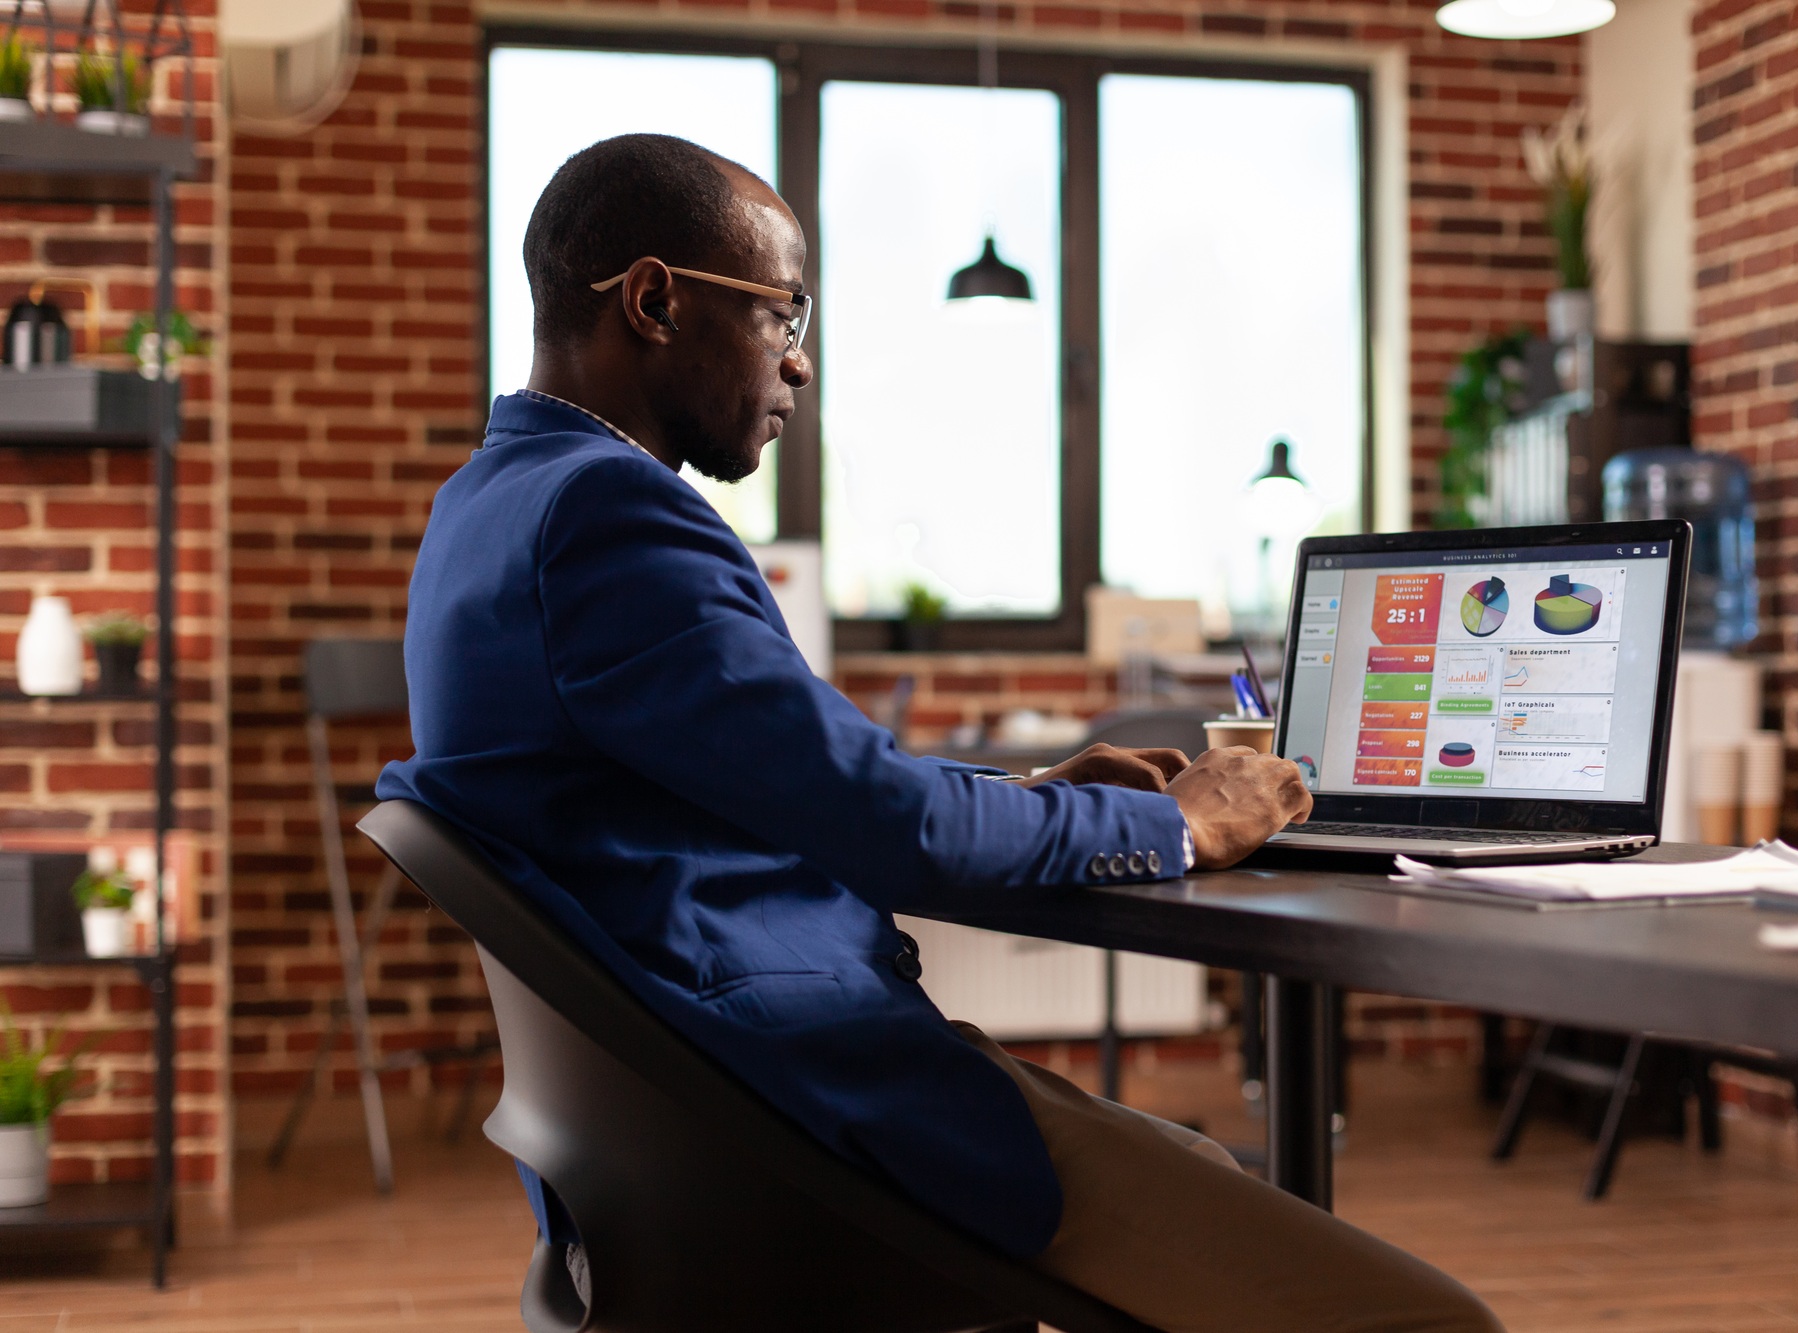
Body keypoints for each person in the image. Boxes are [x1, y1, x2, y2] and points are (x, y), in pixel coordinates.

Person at [377, 132, 1500, 1333]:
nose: (799, 365)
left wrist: (1031, 785)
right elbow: (890, 828)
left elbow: (755, 786)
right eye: (782, 312)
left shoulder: (488, 503)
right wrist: (1171, 821)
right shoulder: (609, 515)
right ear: (654, 301)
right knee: (1428, 1321)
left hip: (684, 1124)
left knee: (1204, 1176)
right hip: (797, 1118)